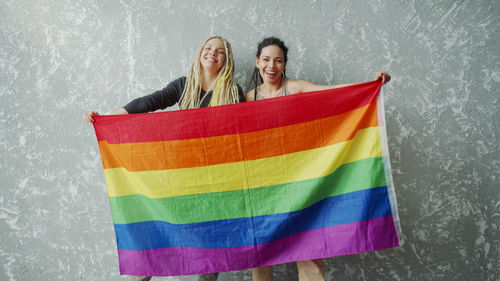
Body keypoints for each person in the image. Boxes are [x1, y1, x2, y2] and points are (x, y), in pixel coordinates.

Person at [84, 36, 245, 281]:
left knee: (210, 243)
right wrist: (108, 118)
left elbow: (245, 132)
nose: (213, 53)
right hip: (179, 174)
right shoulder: (184, 85)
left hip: (215, 179)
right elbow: (151, 101)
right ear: (200, 52)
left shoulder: (234, 92)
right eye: (208, 48)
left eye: (220, 51)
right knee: (161, 232)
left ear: (227, 60)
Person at [246, 37, 391, 281]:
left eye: (278, 60)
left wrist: (371, 84)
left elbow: (335, 92)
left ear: (284, 65)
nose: (271, 66)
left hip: (300, 178)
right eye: (266, 59)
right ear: (257, 62)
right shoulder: (249, 97)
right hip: (265, 183)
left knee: (308, 246)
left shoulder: (294, 87)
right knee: (262, 250)